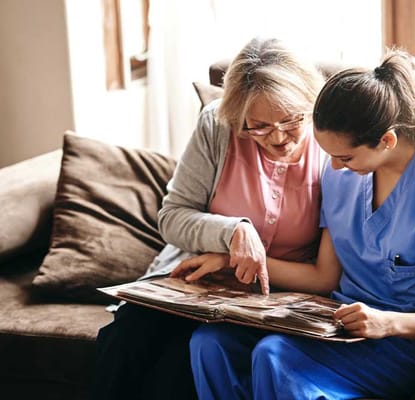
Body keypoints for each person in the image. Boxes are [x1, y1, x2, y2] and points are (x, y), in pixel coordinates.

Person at [188, 49, 415, 399]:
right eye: (329, 155)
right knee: (210, 342)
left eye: (344, 157)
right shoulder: (342, 176)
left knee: (273, 356)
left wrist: (384, 322)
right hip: (332, 323)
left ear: (387, 140)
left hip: (401, 342)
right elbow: (324, 277)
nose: (332, 168)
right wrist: (231, 260)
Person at [91, 37, 326, 400]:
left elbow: (329, 268)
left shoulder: (332, 146)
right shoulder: (217, 126)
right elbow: (171, 217)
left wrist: (234, 260)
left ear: (310, 105)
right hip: (194, 283)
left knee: (178, 365)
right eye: (258, 127)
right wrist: (232, 232)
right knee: (125, 338)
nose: (278, 137)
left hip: (273, 294)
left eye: (291, 120)